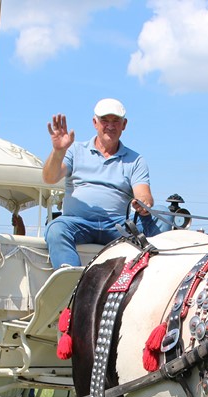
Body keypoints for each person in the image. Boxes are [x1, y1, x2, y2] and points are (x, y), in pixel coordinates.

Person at [42, 98, 168, 269]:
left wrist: (144, 204)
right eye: (105, 120)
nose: (110, 125)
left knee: (165, 214)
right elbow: (50, 177)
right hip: (78, 223)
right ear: (95, 123)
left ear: (124, 125)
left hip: (117, 226)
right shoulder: (74, 150)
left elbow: (143, 194)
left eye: (116, 121)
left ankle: (157, 273)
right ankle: (71, 285)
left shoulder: (136, 160)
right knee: (56, 229)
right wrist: (58, 151)